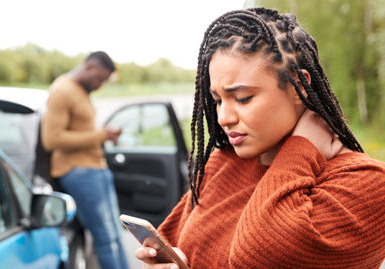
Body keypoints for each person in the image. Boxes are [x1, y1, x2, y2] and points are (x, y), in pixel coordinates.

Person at [135, 7, 385, 269]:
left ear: (299, 86)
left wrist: (301, 149)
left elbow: (258, 256)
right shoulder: (223, 163)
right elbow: (174, 241)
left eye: (242, 98)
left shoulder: (369, 185)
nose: (223, 118)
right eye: (218, 100)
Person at [41, 51, 129, 269]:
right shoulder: (62, 90)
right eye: (100, 79)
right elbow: (51, 140)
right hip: (79, 171)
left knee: (116, 233)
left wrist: (105, 135)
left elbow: (80, 131)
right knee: (105, 237)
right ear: (89, 67)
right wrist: (101, 135)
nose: (100, 85)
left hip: (97, 168)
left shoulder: (80, 91)